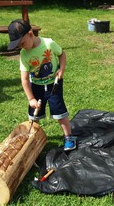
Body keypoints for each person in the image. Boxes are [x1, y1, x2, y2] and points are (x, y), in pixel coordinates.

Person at [7, 19, 77, 151]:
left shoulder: (48, 43)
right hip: (36, 87)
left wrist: (61, 69)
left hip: (53, 85)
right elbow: (25, 79)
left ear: (30, 33)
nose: (22, 47)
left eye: (22, 43)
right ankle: (32, 138)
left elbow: (62, 54)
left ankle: (68, 137)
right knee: (34, 114)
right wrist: (31, 99)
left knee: (59, 110)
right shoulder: (24, 54)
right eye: (19, 45)